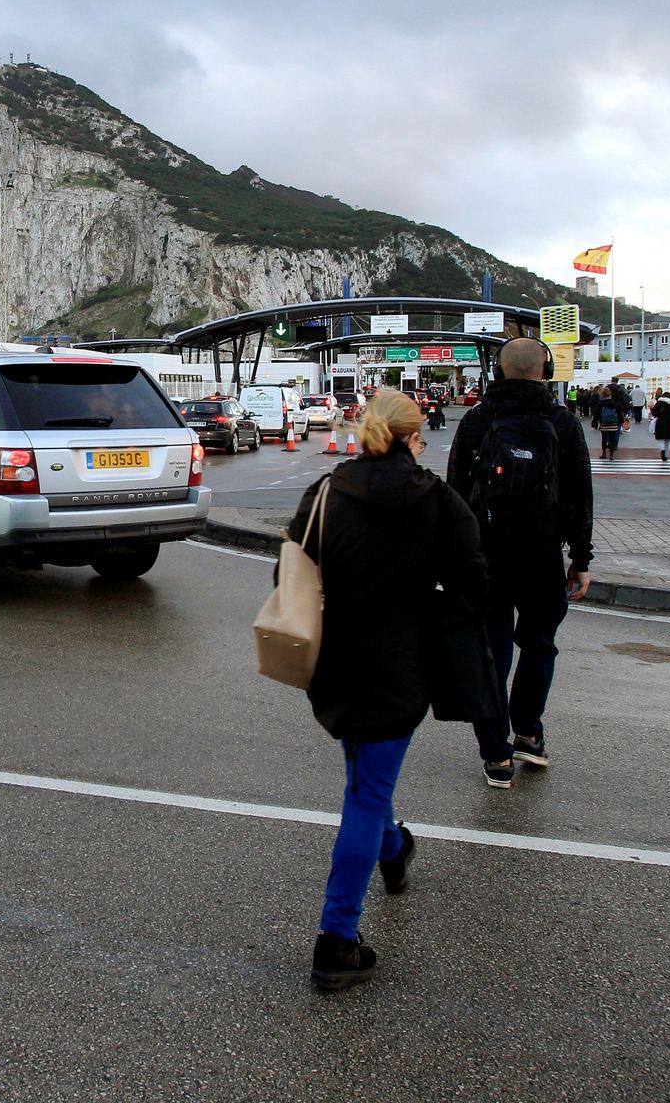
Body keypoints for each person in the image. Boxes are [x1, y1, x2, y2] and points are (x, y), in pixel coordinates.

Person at [280, 389, 491, 991]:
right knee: (366, 795)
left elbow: (289, 572)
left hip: (336, 663)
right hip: (400, 667)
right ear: (411, 436)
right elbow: (476, 583)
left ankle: (394, 849)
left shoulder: (326, 493)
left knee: (365, 779)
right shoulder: (438, 499)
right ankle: (335, 940)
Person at [448, 338, 594, 789]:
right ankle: (528, 732)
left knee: (491, 654)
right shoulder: (562, 422)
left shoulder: (477, 419)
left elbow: (454, 492)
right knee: (540, 644)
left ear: (498, 370)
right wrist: (580, 559)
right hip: (542, 555)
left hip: (485, 556)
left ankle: (496, 755)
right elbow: (579, 495)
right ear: (545, 371)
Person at [594, 387, 624, 460]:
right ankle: (611, 455)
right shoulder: (613, 403)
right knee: (612, 439)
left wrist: (594, 423)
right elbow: (619, 411)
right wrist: (621, 421)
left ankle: (604, 453)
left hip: (603, 423)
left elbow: (596, 414)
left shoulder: (601, 403)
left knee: (604, 439)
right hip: (613, 423)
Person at [650, 390, 670, 462]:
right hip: (669, 423)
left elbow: (654, 413)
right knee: (668, 441)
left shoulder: (659, 403)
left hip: (660, 422)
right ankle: (667, 454)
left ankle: (662, 451)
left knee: (661, 439)